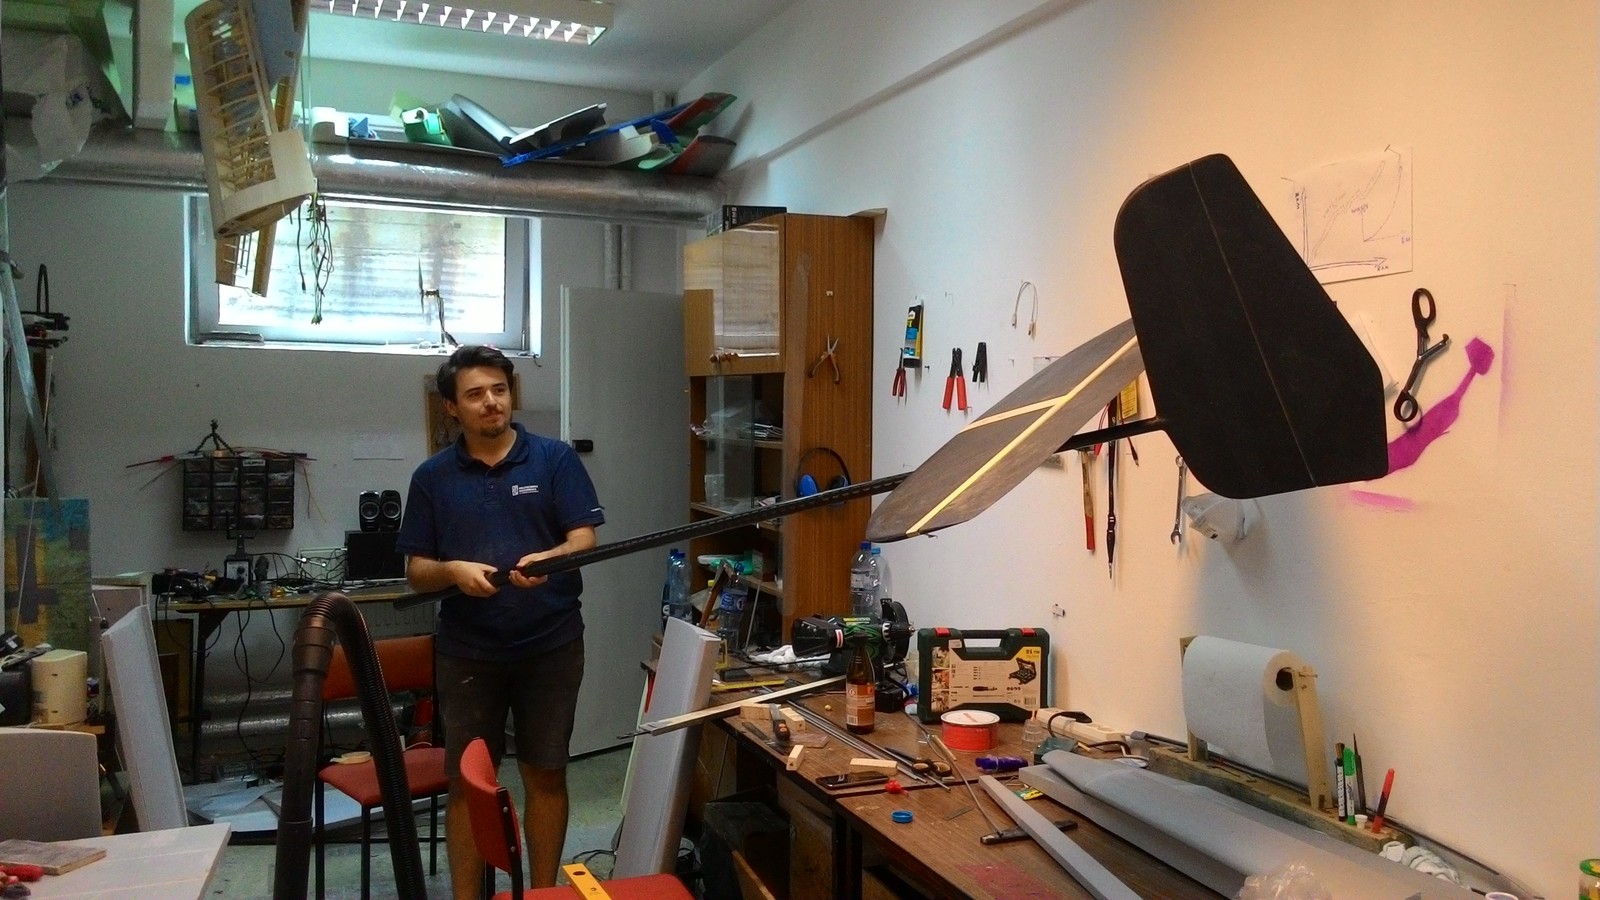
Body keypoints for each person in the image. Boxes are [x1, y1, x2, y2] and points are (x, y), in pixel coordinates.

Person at [396, 345, 604, 897]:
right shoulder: (432, 477)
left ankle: (542, 893)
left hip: (552, 644)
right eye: (475, 394)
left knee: (546, 772)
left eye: (499, 390)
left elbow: (584, 538)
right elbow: (417, 572)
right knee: (468, 784)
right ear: (451, 407)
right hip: (468, 652)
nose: (491, 402)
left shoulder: (554, 460)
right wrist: (452, 571)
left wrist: (550, 558)